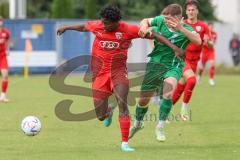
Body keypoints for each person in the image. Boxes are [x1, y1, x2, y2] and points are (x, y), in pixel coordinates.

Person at [57, 5, 183, 151]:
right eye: (103, 22)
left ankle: (125, 143)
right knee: (100, 116)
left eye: (107, 23)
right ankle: (109, 112)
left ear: (116, 22)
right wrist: (66, 27)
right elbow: (84, 27)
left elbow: (154, 35)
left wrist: (174, 48)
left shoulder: (128, 29)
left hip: (118, 73)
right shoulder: (98, 26)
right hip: (99, 75)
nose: (104, 26)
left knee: (122, 104)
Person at [129, 4, 201, 142]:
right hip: (155, 64)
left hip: (174, 65)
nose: (167, 21)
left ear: (179, 18)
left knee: (168, 92)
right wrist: (144, 27)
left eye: (171, 19)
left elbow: (198, 41)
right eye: (166, 18)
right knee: (143, 99)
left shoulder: (186, 29)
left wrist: (181, 28)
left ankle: (160, 126)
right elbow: (145, 20)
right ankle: (138, 123)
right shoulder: (160, 20)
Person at [172, 0, 209, 121]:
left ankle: (165, 110)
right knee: (192, 80)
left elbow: (209, 44)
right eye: (189, 10)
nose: (191, 12)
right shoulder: (181, 24)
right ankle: (184, 107)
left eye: (193, 9)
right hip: (182, 59)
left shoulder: (203, 26)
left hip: (194, 61)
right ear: (186, 12)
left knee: (181, 87)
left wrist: (209, 43)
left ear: (197, 11)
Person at [0, 16, 10, 103]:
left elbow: (7, 42)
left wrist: (8, 49)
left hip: (2, 56)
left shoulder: (5, 33)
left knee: (5, 75)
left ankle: (2, 96)